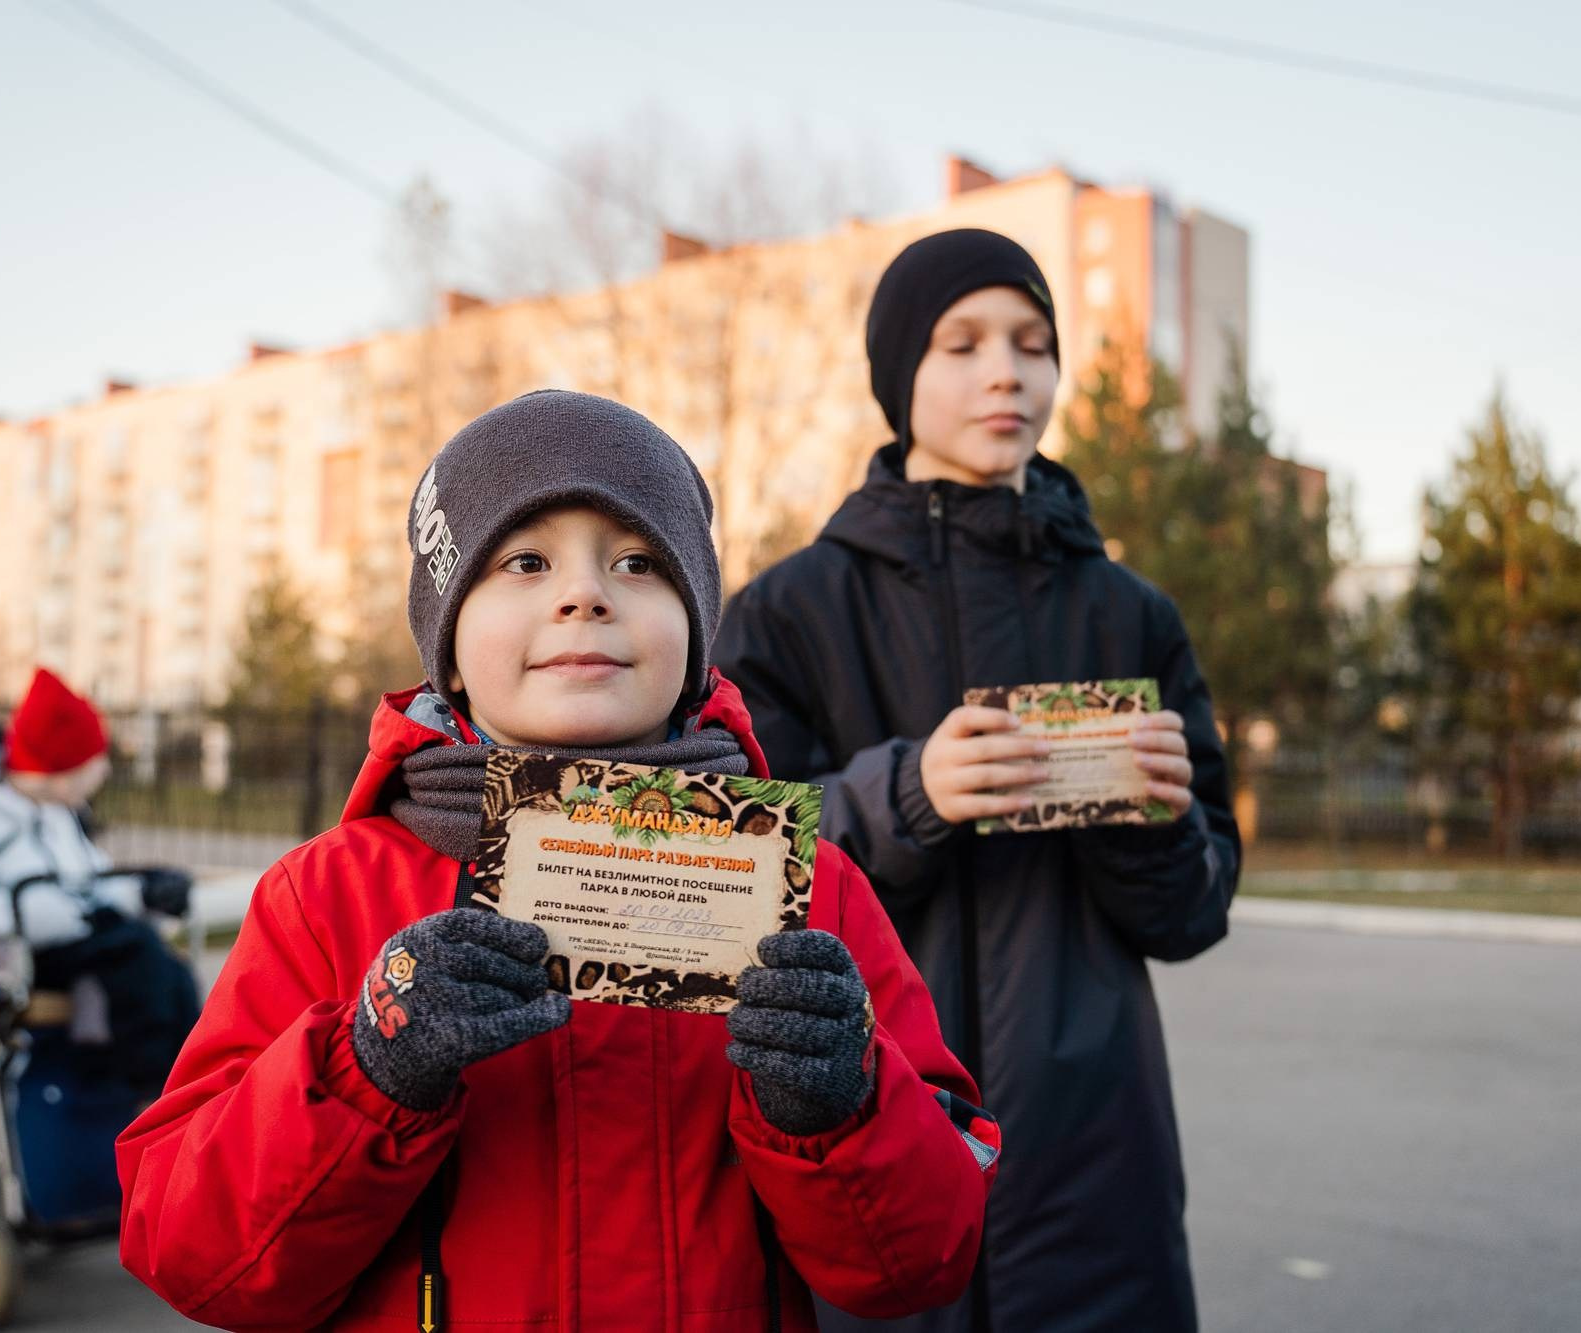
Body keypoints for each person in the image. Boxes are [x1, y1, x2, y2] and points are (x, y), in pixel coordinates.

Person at [116, 391, 1002, 1332]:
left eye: (639, 562)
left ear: (696, 634)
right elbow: (191, 1249)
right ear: (450, 645)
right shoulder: (328, 893)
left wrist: (843, 1106)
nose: (586, 596)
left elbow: (925, 1259)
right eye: (526, 562)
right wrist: (367, 1066)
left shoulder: (812, 888)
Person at [713, 229, 1241, 1333]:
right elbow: (730, 878)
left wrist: (1153, 822)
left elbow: (1194, 912)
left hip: (1098, 1154)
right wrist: (906, 795)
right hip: (867, 1135)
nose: (1006, 372)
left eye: (1031, 343)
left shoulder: (1131, 613)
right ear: (899, 374)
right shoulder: (787, 611)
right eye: (962, 344)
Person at [0, 668, 199, 1092]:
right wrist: (58, 913)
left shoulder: (50, 806)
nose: (101, 776)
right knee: (141, 959)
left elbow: (88, 878)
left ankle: (190, 1092)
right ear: (61, 772)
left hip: (59, 941)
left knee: (169, 971)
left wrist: (142, 892)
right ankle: (159, 1097)